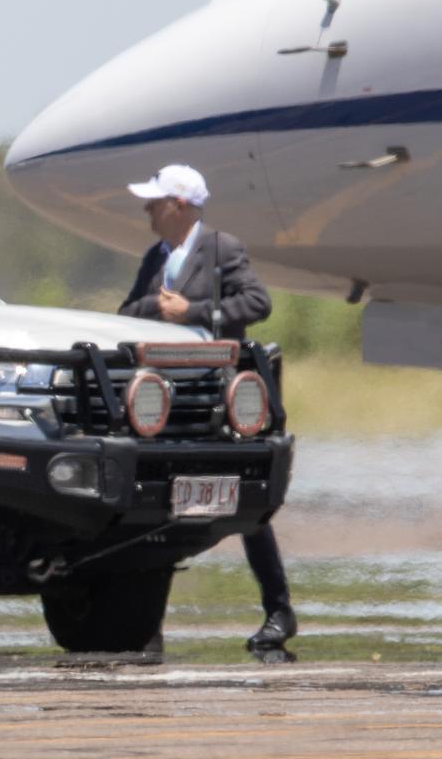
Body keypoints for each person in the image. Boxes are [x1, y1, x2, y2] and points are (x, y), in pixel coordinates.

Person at [119, 163, 297, 655]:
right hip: (163, 399)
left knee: (249, 508)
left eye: (154, 203)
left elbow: (256, 303)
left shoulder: (222, 248)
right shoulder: (155, 256)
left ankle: (278, 610)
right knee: (155, 501)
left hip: (217, 397)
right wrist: (156, 309)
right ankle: (144, 624)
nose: (147, 211)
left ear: (178, 205)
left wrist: (192, 314)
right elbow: (127, 312)